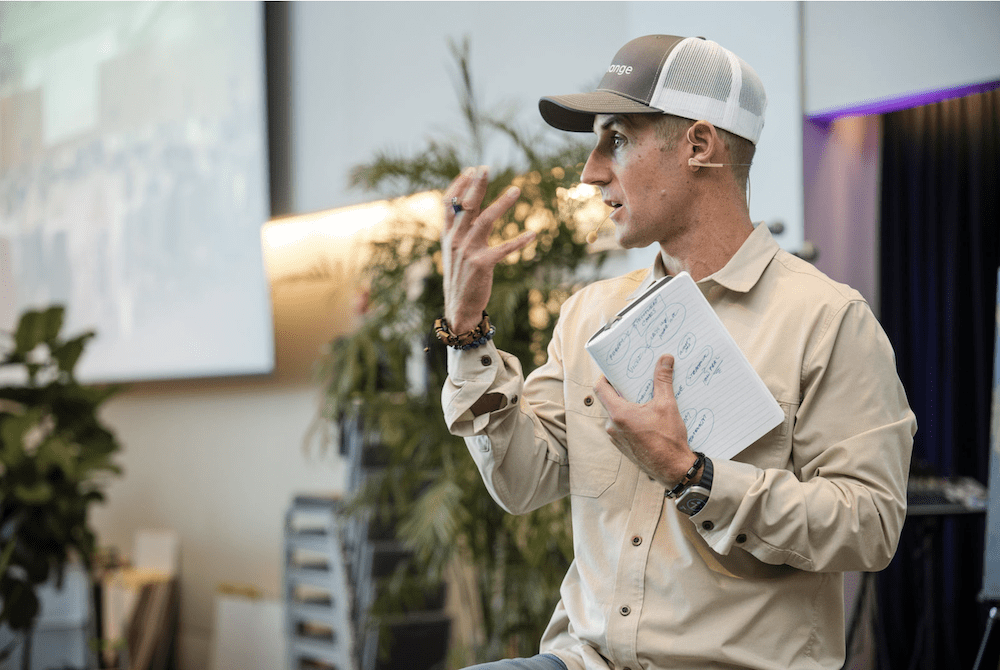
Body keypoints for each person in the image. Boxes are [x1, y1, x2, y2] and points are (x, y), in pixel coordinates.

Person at [435, 35, 915, 670]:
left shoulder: (827, 320)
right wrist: (468, 331)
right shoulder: (589, 314)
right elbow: (522, 481)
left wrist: (694, 475)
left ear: (698, 145)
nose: (590, 171)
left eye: (618, 139)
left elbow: (873, 524)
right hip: (586, 659)